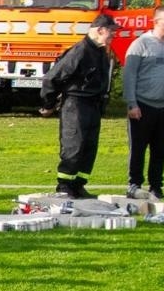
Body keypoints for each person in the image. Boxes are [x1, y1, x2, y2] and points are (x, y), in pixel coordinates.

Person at [40, 13, 116, 198]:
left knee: (89, 147)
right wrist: (48, 104)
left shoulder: (101, 52)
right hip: (76, 105)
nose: (113, 36)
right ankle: (65, 186)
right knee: (74, 145)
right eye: (111, 32)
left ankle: (78, 185)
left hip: (93, 105)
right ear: (99, 30)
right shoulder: (80, 51)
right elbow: (52, 78)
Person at [122, 4, 164, 199]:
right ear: (157, 21)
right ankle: (134, 184)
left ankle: (156, 186)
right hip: (144, 105)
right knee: (138, 148)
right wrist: (131, 103)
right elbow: (129, 76)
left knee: (161, 149)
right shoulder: (140, 44)